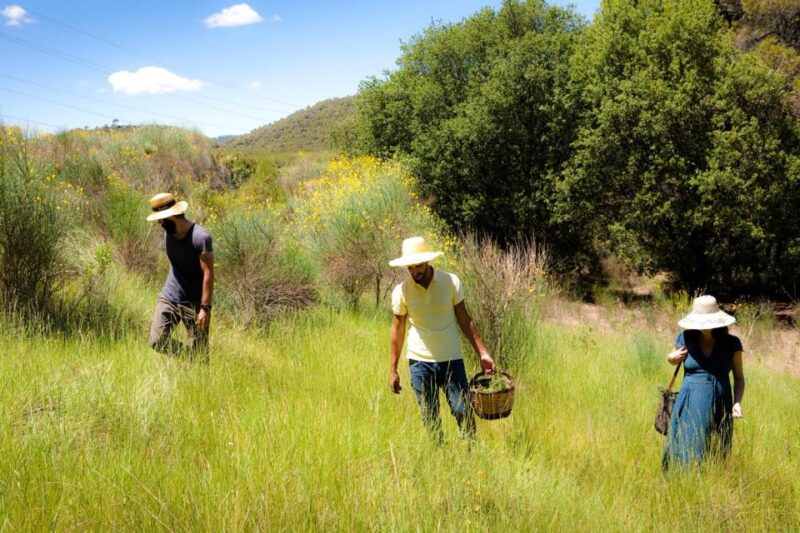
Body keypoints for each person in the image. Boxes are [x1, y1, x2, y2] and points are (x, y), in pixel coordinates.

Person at [388, 236, 496, 439]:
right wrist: (393, 369)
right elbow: (397, 330)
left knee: (462, 409)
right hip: (419, 363)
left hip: (451, 359)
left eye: (417, 266)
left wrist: (482, 352)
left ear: (427, 261)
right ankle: (439, 456)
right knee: (429, 416)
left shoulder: (450, 282)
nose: (414, 271)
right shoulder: (401, 291)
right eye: (409, 267)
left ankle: (473, 453)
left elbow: (464, 319)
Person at [662, 295, 745, 470]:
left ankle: (713, 485)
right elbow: (671, 358)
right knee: (684, 446)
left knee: (715, 450)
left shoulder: (732, 343)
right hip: (690, 402)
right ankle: (680, 482)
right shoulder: (686, 338)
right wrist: (671, 358)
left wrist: (737, 402)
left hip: (720, 403)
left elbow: (739, 377)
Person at [146, 192, 214, 362]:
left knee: (201, 355)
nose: (159, 223)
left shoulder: (201, 237)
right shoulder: (167, 233)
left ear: (173, 216)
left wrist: (205, 308)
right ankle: (191, 359)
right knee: (156, 340)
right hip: (170, 295)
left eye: (162, 219)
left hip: (194, 302)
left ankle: (197, 364)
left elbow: (208, 273)